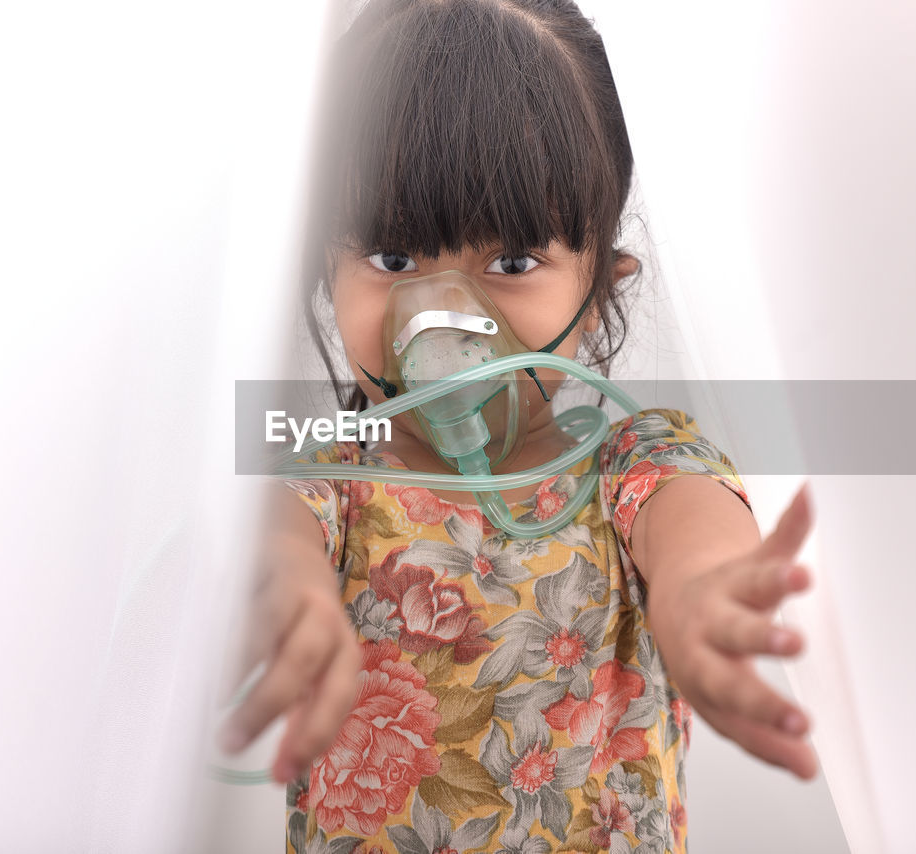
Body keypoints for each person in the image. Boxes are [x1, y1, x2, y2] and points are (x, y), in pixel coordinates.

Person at [222, 1, 818, 851]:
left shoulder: (633, 461)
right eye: (392, 260)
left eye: (512, 263)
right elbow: (272, 535)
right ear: (326, 268)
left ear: (602, 283)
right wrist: (277, 587)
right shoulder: (331, 478)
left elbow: (695, 530)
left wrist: (701, 595)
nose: (441, 320)